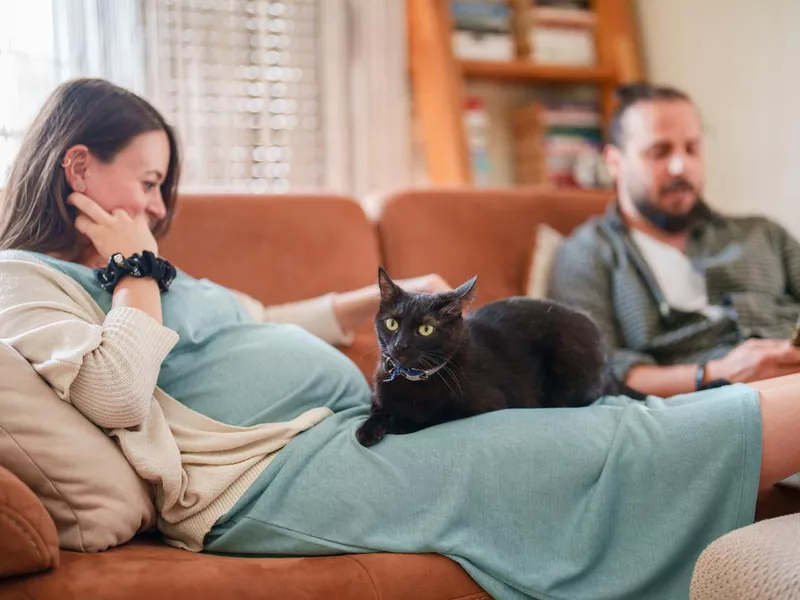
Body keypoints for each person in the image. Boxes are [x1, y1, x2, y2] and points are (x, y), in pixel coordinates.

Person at [1, 78, 799, 600]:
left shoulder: (136, 278)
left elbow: (249, 329)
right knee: (619, 439)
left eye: (161, 190)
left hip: (342, 435)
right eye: (148, 184)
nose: (160, 210)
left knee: (594, 422)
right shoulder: (25, 278)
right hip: (272, 479)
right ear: (77, 168)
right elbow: (114, 391)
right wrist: (136, 268)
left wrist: (362, 302)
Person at [549, 82, 800, 398]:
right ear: (615, 162)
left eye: (692, 148)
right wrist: (715, 374)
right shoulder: (586, 255)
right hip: (712, 404)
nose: (681, 166)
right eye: (660, 152)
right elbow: (595, 369)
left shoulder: (762, 233)